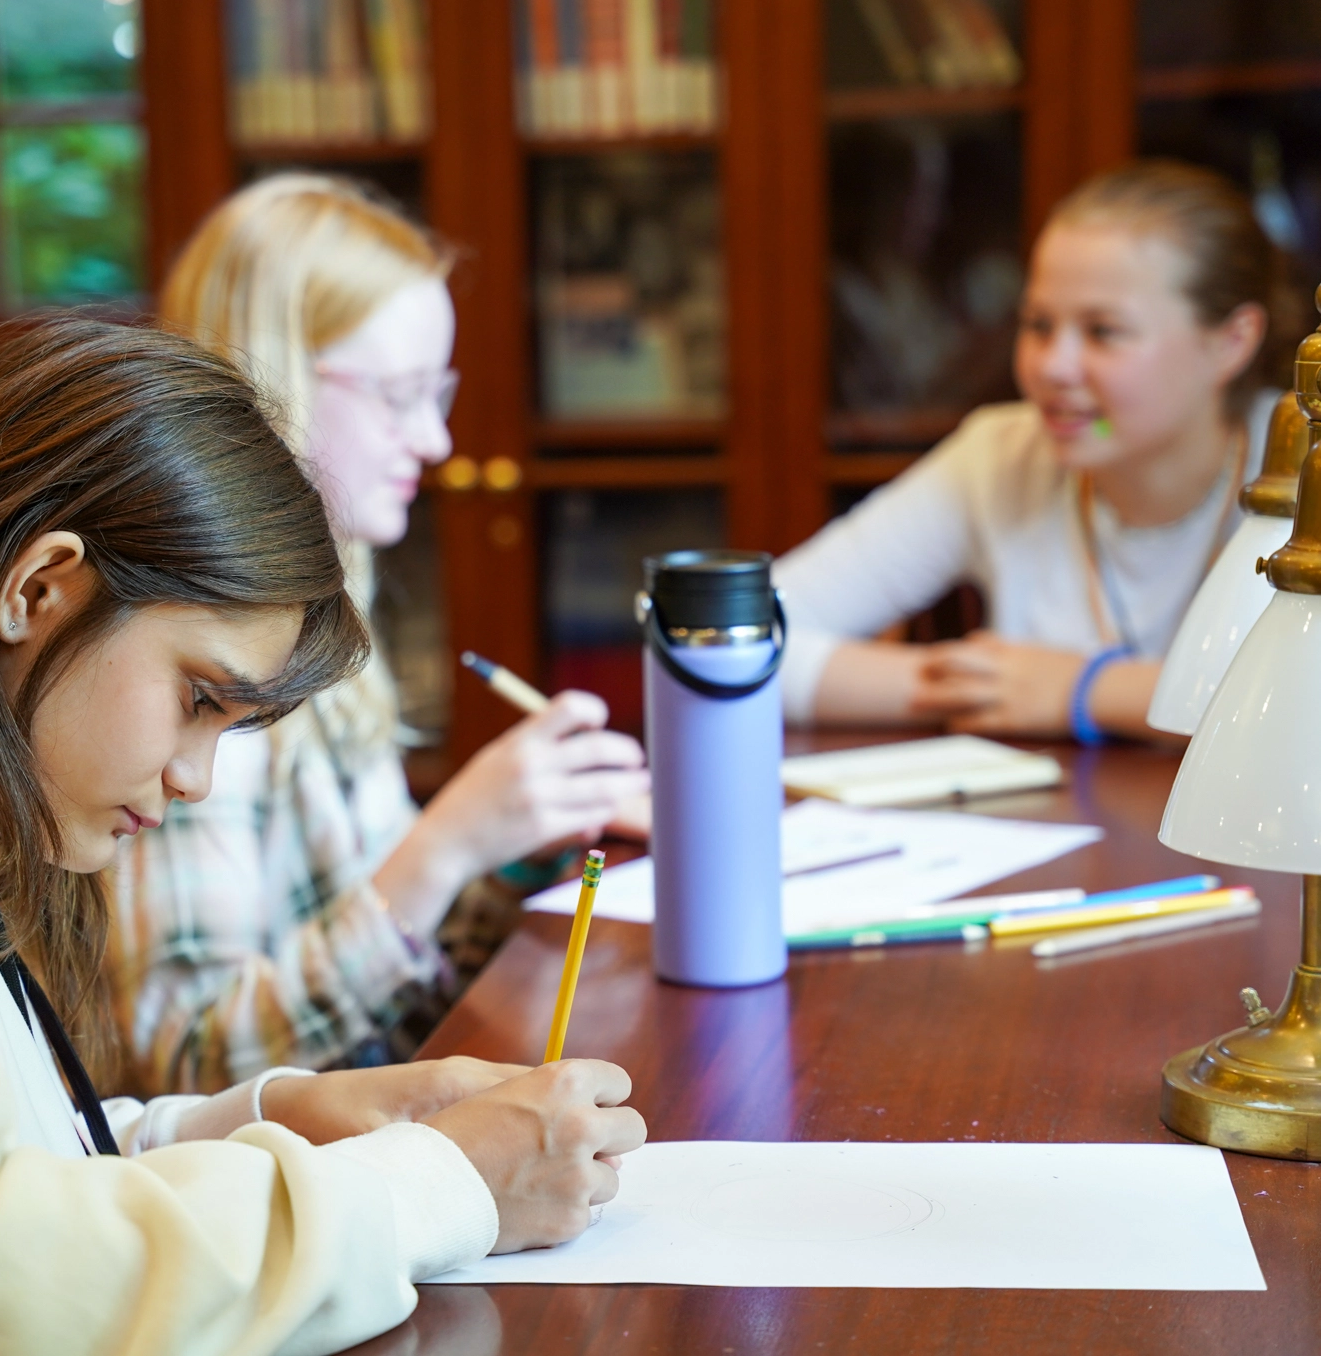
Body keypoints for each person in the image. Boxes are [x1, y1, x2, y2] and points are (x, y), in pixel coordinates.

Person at [0, 317, 646, 1356]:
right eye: (196, 697)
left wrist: (277, 1116)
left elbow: (1, 1178)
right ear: (35, 591)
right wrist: (437, 1184)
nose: (195, 778)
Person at [111, 173, 650, 1095]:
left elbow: (395, 975)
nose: (436, 441)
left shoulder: (331, 624)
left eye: (436, 392)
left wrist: (523, 840)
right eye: (400, 396)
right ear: (272, 383)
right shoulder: (193, 670)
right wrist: (443, 844)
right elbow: (187, 1063)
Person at [775, 159, 1282, 743]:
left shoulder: (1302, 464)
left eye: (1103, 332)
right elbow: (721, 644)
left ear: (1231, 342)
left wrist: (1083, 691)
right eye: (1038, 325)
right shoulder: (1004, 453)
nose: (1051, 367)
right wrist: (994, 686)